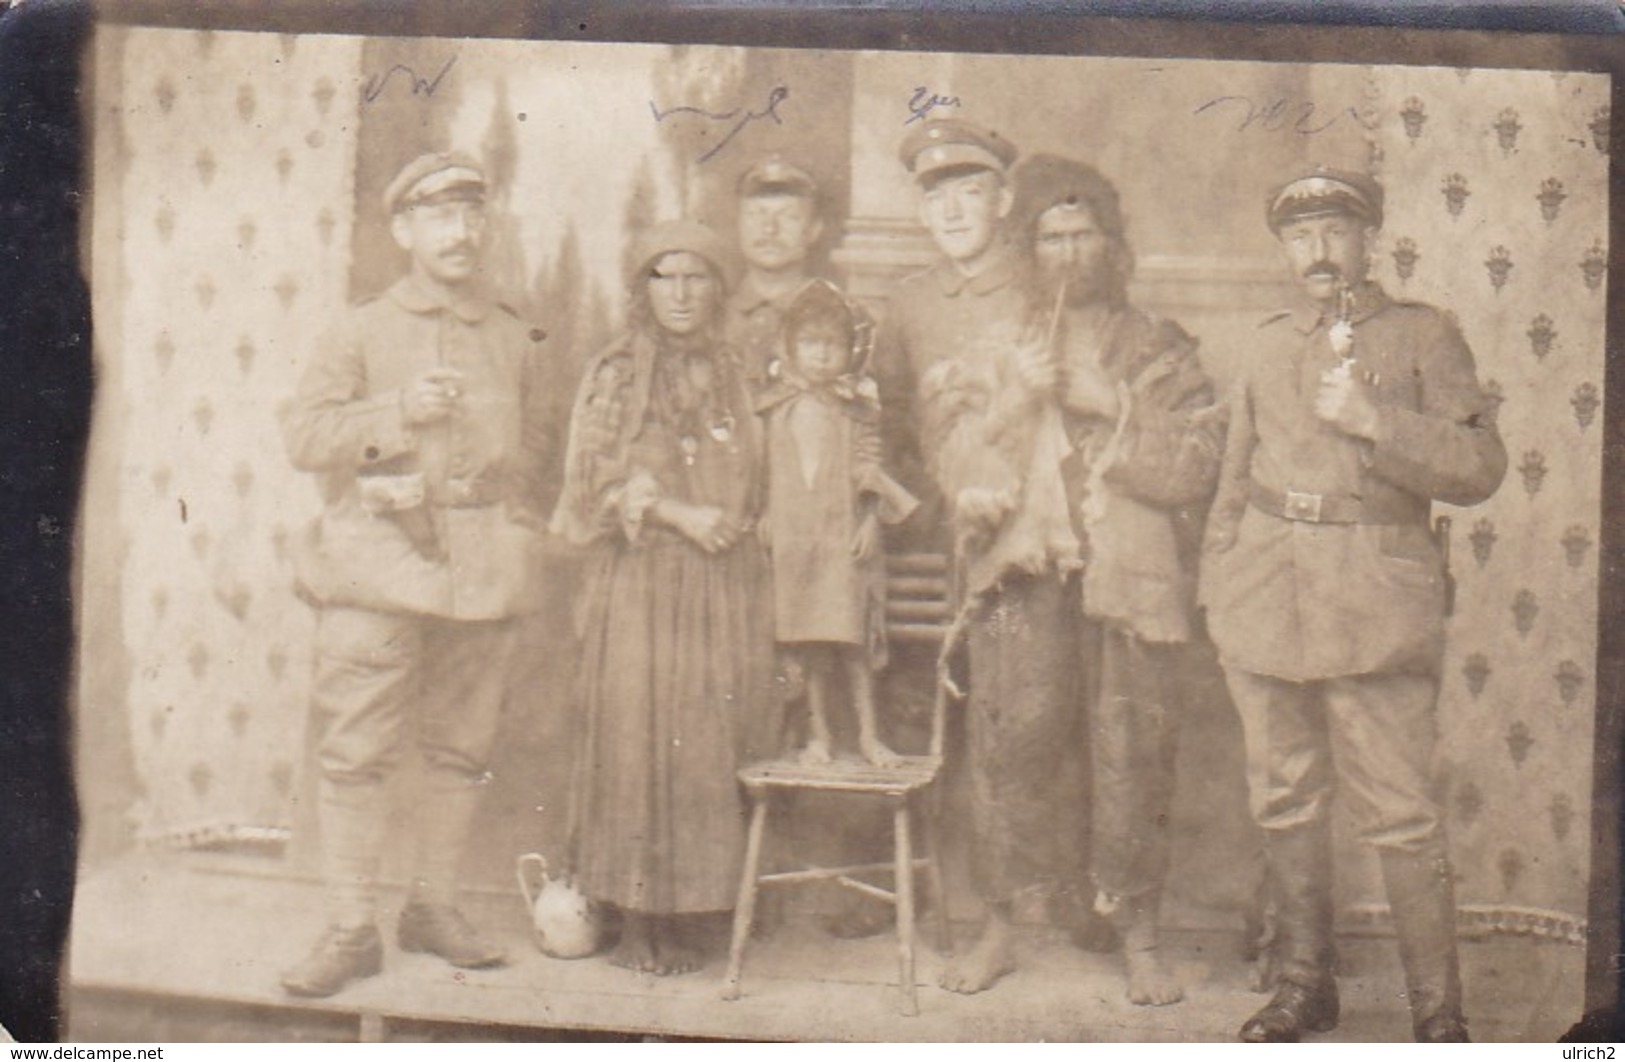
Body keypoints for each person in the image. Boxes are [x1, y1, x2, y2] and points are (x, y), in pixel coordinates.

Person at [1200, 165, 1507, 1042]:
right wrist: (1218, 583)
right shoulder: (1261, 343)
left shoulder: (1422, 336)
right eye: (1301, 237)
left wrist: (1377, 422)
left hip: (1375, 601)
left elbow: (1480, 469)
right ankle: (1305, 984)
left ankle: (1436, 1011)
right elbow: (1232, 478)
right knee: (1285, 799)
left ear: (1370, 240)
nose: (1318, 252)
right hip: (1266, 598)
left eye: (1336, 232)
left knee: (1400, 812)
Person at [277, 151, 549, 997]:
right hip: (376, 564)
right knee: (356, 750)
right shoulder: (359, 328)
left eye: (472, 214)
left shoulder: (512, 332)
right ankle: (352, 927)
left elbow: (539, 445)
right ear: (404, 231)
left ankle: (430, 908)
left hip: (483, 568)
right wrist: (397, 415)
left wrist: (512, 515)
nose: (460, 232)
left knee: (461, 748)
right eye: (439, 216)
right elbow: (305, 438)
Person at [872, 117, 1114, 995]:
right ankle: (994, 915)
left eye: (969, 192)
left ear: (1002, 200)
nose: (951, 211)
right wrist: (939, 504)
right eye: (935, 195)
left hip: (1039, 538)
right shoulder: (905, 304)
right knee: (985, 730)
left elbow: (1083, 407)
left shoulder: (1045, 277)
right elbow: (891, 432)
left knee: (1041, 727)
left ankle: (1052, 907)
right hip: (952, 544)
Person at [1005, 152, 1223, 1004]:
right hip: (1028, 575)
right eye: (1049, 237)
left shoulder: (1160, 346)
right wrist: (1011, 401)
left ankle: (1136, 933)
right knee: (1014, 737)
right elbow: (961, 459)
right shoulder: (1007, 339)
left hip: (1128, 581)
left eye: (1081, 233)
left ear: (1111, 244)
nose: (1066, 253)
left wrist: (1109, 405)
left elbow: (1197, 468)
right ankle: (1006, 922)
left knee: (1133, 752)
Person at [551, 219, 776, 976]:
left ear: (718, 286)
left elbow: (769, 467)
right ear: (641, 288)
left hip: (721, 588)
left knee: (704, 747)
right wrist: (680, 514)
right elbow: (591, 483)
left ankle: (694, 910)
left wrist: (744, 522)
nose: (679, 294)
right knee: (637, 744)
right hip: (642, 586)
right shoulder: (617, 371)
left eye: (695, 277)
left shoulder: (739, 368)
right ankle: (639, 916)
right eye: (663, 277)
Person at [756, 279, 917, 766]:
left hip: (841, 537)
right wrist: (763, 512)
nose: (823, 355)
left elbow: (869, 467)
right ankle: (818, 734)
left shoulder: (857, 410)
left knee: (851, 641)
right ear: (790, 346)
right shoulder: (772, 409)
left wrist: (870, 520)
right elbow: (761, 469)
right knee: (807, 646)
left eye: (834, 344)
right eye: (811, 343)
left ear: (851, 350)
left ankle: (869, 734)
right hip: (792, 538)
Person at [725, 156, 827, 394]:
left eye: (788, 216)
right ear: (738, 224)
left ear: (814, 230)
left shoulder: (843, 318)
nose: (770, 228)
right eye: (755, 214)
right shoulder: (710, 318)